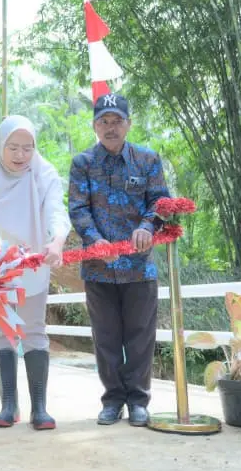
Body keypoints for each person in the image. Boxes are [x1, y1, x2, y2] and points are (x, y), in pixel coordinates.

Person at [68, 92, 170, 427]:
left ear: (128, 124)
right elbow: (78, 209)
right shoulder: (83, 163)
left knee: (141, 337)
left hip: (140, 267)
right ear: (95, 125)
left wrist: (147, 225)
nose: (111, 128)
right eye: (104, 121)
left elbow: (161, 203)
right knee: (106, 337)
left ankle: (139, 401)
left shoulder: (147, 160)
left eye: (117, 121)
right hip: (99, 269)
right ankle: (112, 400)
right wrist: (95, 241)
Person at [0, 115, 70, 431]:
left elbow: (56, 211)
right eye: (13, 147)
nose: (20, 155)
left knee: (34, 330)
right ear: (0, 145)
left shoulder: (44, 174)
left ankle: (40, 407)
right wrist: (0, 248)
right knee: (3, 333)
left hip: (34, 265)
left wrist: (57, 240)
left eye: (27, 148)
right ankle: (8, 405)